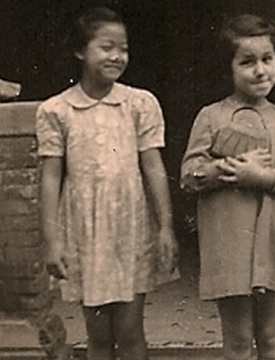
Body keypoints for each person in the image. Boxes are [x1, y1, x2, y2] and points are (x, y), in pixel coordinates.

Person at [36, 7, 178, 360]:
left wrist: (166, 228)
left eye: (123, 48)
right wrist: (52, 241)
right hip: (85, 231)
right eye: (107, 47)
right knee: (98, 336)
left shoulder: (139, 104)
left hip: (130, 228)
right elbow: (51, 176)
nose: (117, 56)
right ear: (81, 51)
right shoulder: (57, 111)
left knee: (130, 333)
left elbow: (153, 167)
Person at [180, 14, 275, 360]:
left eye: (267, 60)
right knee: (238, 342)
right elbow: (188, 173)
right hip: (229, 244)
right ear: (229, 68)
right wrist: (221, 169)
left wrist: (263, 178)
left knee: (272, 339)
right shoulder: (211, 116)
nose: (260, 70)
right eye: (247, 61)